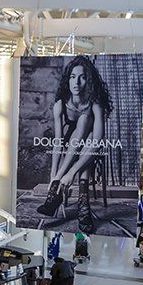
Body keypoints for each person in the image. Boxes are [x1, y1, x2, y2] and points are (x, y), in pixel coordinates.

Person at [37, 56, 114, 221]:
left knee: (86, 121)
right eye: (73, 77)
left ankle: (61, 194)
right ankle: (83, 203)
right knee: (83, 126)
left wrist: (71, 173)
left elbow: (98, 140)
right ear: (68, 79)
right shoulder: (60, 105)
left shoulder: (95, 103)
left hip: (91, 145)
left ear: (89, 81)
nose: (76, 82)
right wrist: (53, 175)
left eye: (82, 77)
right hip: (72, 142)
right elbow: (58, 142)